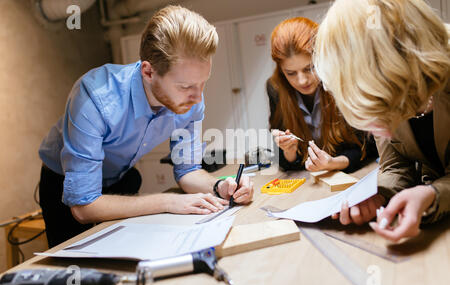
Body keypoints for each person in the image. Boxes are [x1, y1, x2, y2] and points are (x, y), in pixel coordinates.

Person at [38, 5, 254, 248]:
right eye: (184, 87)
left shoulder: (192, 99)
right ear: (149, 72)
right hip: (64, 182)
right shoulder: (94, 98)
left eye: (203, 83)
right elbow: (83, 206)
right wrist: (168, 202)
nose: (197, 97)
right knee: (73, 269)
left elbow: (188, 172)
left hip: (119, 178)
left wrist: (220, 186)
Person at [313, 0, 449, 242]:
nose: (384, 132)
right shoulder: (383, 91)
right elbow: (395, 165)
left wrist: (434, 193)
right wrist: (378, 194)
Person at [267, 17, 376, 174]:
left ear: (323, 57)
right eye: (291, 73)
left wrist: (333, 163)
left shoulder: (344, 79)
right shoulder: (275, 89)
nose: (302, 80)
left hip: (351, 174)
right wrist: (289, 152)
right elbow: (286, 162)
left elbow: (369, 147)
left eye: (309, 68)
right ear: (281, 71)